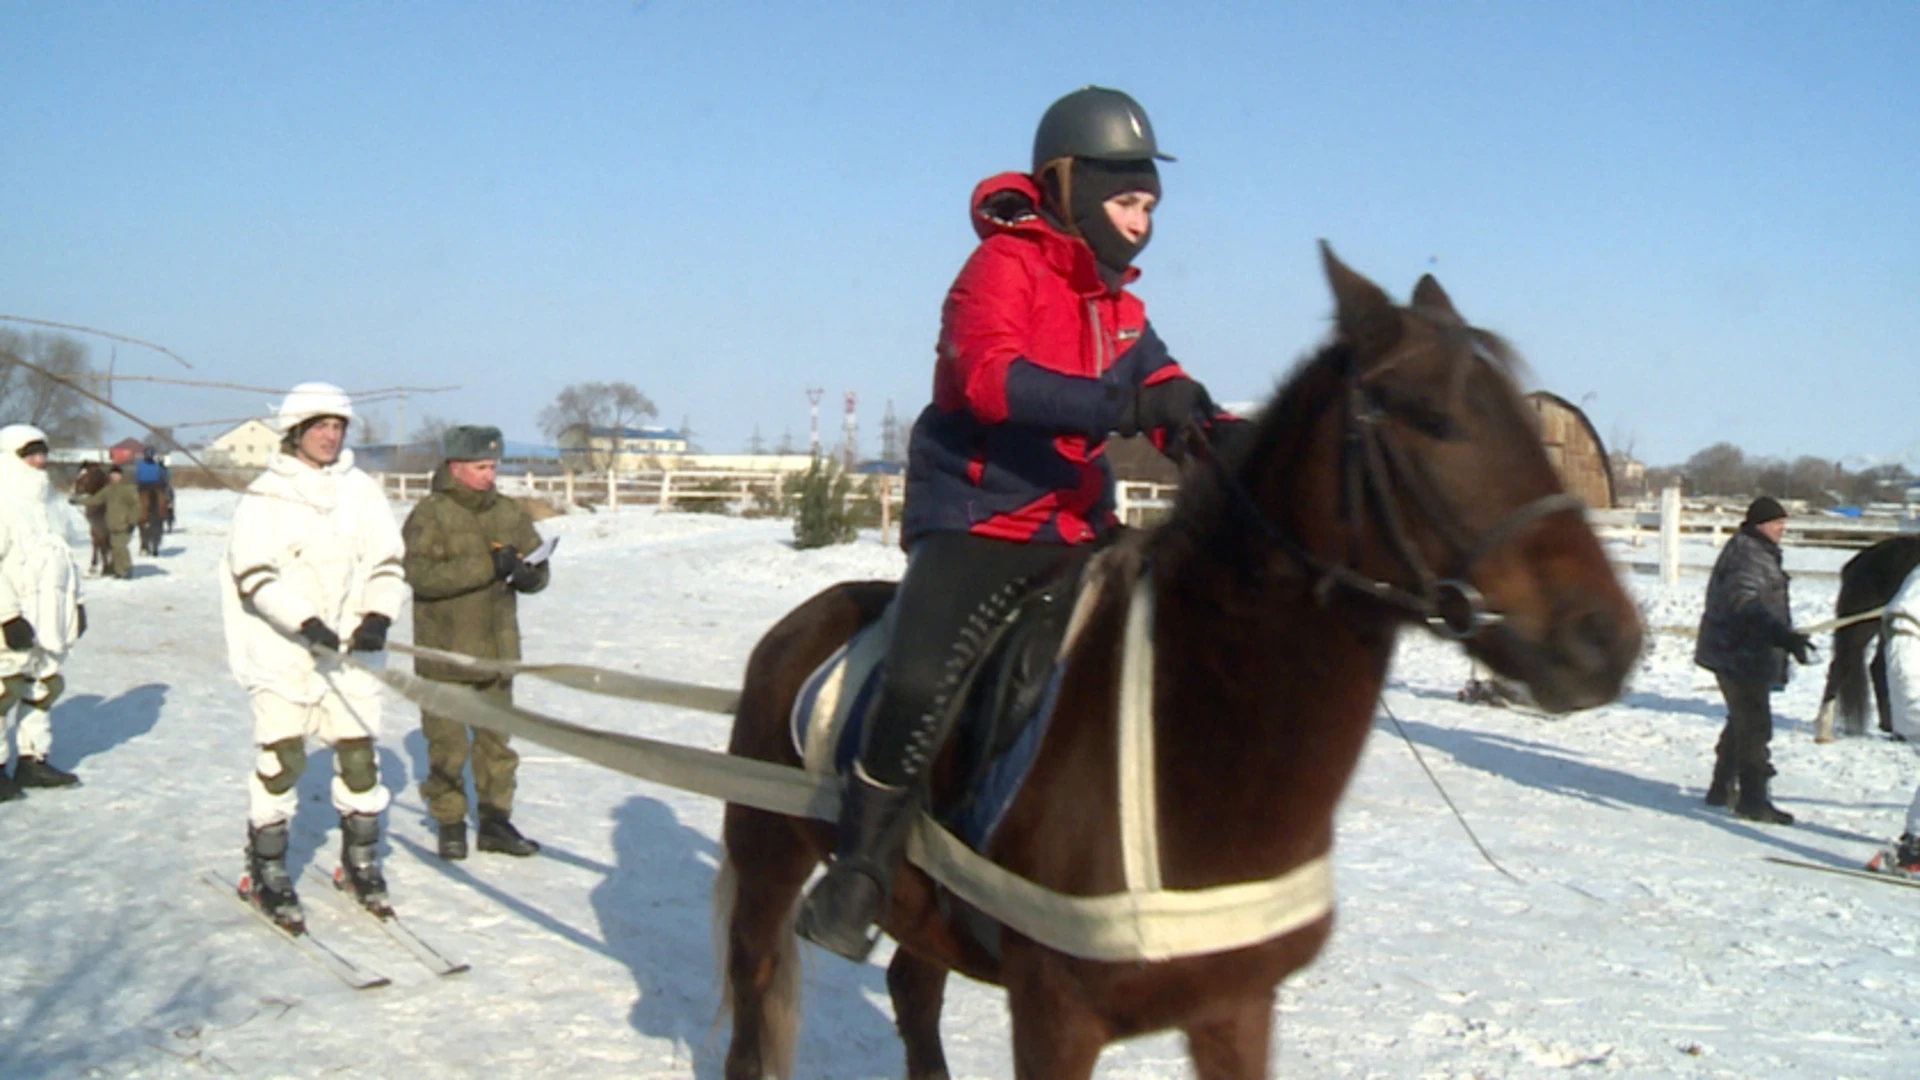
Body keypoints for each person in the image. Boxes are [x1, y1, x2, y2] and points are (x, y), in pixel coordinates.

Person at [795, 86, 1236, 959]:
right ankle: (858, 868)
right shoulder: (1001, 270)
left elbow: (1173, 393)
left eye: (1150, 205)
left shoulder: (1122, 307)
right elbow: (991, 381)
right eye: (1126, 202)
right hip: (978, 516)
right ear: (1069, 187)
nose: (1142, 224)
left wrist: (1233, 438)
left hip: (1074, 523)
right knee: (921, 676)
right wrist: (1129, 402)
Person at [219, 382, 407, 927]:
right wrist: (304, 624)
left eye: (338, 427)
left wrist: (378, 615)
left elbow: (386, 563)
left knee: (358, 757)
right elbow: (253, 575)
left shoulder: (361, 491)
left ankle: (361, 861)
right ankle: (266, 867)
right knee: (283, 760)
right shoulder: (265, 492)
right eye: (320, 426)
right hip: (284, 651)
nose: (330, 436)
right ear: (296, 431)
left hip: (350, 654)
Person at [401, 425, 549, 861]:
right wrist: (485, 565)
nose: (490, 474)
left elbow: (537, 564)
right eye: (481, 467)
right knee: (447, 744)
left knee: (497, 745)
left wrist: (530, 575)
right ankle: (449, 820)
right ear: (455, 466)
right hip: (445, 651)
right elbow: (420, 576)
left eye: (493, 466)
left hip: (497, 651)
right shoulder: (430, 514)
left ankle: (495, 820)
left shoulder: (510, 512)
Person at [1695, 496, 1813, 824]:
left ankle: (1720, 787)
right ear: (1761, 524)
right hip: (1738, 653)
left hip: (1745, 651)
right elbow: (1743, 604)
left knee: (1742, 720)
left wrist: (1782, 637)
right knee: (1754, 725)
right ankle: (1752, 799)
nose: (1782, 529)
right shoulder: (1747, 556)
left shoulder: (1757, 551)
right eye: (1777, 523)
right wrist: (1780, 635)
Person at [0, 425, 86, 797]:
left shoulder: (53, 505)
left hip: (49, 616)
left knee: (43, 684)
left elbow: (68, 559)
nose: (39, 461)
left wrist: (77, 604)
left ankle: (33, 759)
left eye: (43, 452)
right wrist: (6, 615)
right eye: (29, 454)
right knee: (4, 688)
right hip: (12, 615)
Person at [1869, 565, 1920, 873]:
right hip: (1912, 692)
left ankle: (1912, 846)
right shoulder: (1912, 602)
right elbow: (1903, 663)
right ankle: (1912, 851)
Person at [75, 465, 140, 579]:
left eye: (117, 474)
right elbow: (94, 500)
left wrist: (132, 521)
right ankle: (118, 570)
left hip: (124, 523)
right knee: (115, 548)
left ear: (121, 476)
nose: (114, 477)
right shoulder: (107, 490)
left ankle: (127, 569)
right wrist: (78, 501)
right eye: (112, 475)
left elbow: (136, 506)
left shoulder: (129, 489)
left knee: (120, 547)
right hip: (112, 524)